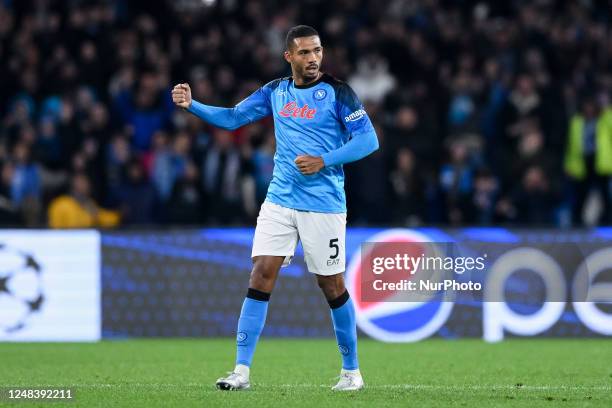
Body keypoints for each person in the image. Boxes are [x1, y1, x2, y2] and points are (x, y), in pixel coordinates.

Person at [172, 25, 378, 391]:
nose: (313, 58)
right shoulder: (275, 91)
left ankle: (351, 372)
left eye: (317, 51)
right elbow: (235, 117)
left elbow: (368, 140)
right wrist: (194, 106)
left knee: (331, 285)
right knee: (261, 273)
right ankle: (241, 371)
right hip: (280, 199)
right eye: (304, 53)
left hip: (324, 205)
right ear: (289, 57)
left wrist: (324, 159)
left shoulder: (338, 92)